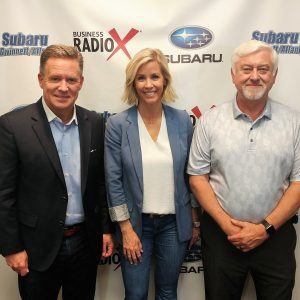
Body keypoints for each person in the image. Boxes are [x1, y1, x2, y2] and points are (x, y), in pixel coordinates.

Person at [188, 39, 300, 300]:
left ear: (274, 76)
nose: (254, 76)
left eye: (263, 69)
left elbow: (298, 183)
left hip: (276, 236)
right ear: (233, 75)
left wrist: (264, 229)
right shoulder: (210, 121)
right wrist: (230, 228)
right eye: (246, 69)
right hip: (222, 238)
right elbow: (197, 179)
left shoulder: (294, 123)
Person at [0, 44, 114, 300]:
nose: (63, 87)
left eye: (71, 79)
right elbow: (3, 195)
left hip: (86, 243)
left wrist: (106, 229)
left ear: (81, 82)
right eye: (55, 78)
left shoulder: (94, 123)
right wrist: (12, 248)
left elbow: (99, 184)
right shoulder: (12, 126)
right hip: (36, 249)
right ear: (41, 80)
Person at [105, 48, 199, 300]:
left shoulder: (181, 120)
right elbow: (113, 181)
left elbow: (192, 176)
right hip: (136, 225)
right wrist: (125, 229)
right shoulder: (117, 124)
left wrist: (195, 219)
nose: (149, 84)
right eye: (141, 78)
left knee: (168, 292)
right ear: (132, 83)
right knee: (135, 294)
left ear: (165, 80)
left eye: (155, 77)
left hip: (174, 224)